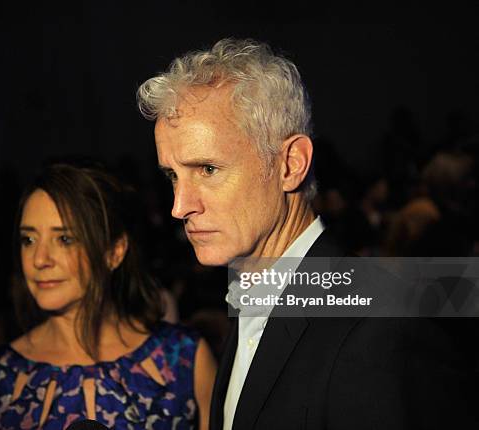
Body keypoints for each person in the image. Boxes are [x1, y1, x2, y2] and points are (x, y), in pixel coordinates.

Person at [137, 38, 477, 429]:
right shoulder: (252, 295)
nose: (180, 206)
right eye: (172, 176)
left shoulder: (382, 328)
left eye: (208, 170)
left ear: (291, 164)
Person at [0, 164, 217, 430]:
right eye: (29, 240)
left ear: (114, 252)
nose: (39, 259)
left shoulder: (184, 359)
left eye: (65, 239)